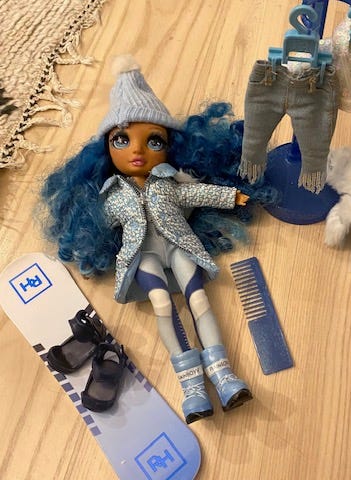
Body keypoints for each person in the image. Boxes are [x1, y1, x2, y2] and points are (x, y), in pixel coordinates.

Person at [41, 55, 253, 424]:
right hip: (144, 257)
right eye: (122, 140)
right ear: (106, 149)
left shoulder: (170, 182)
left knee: (199, 299)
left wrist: (229, 196)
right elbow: (91, 226)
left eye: (153, 140)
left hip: (180, 247)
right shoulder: (111, 196)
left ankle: (223, 375)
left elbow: (195, 193)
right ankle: (192, 387)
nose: (137, 150)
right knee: (161, 303)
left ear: (169, 145)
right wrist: (81, 248)